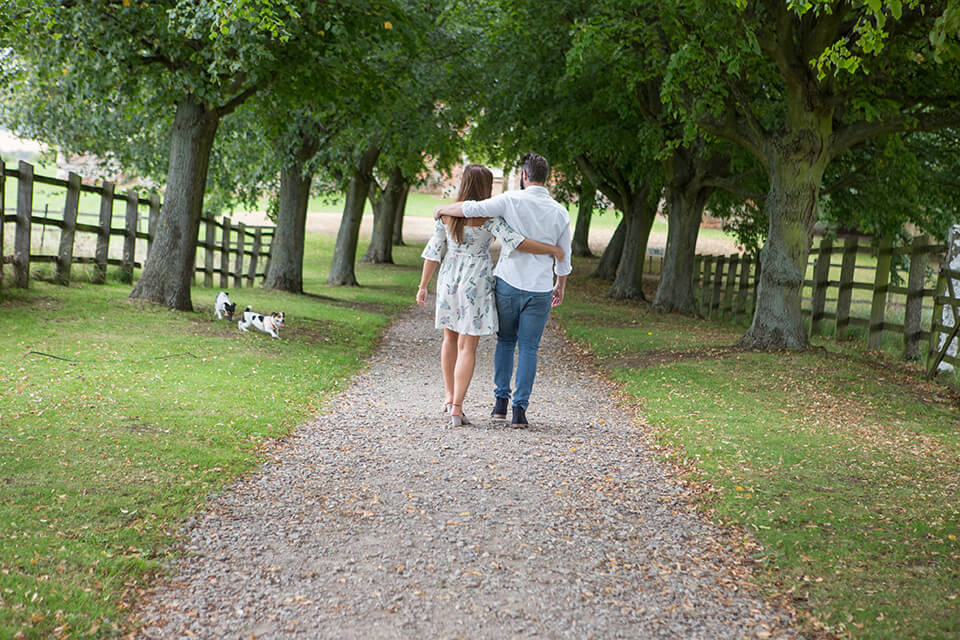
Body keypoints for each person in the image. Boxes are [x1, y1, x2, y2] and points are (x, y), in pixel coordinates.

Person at [417, 164, 564, 427]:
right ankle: (457, 408)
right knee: (467, 346)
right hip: (476, 282)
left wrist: (422, 285)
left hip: (450, 279)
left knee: (449, 338)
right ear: (486, 187)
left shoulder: (446, 216)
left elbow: (432, 252)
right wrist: (553, 249)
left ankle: (449, 397)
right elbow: (518, 242)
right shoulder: (490, 219)